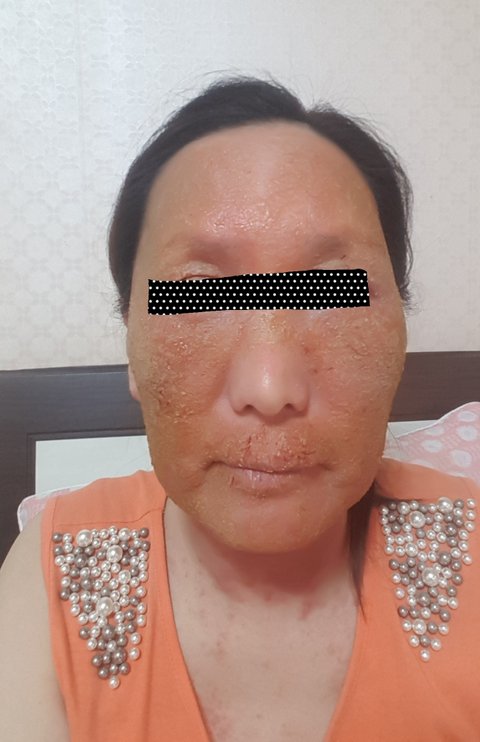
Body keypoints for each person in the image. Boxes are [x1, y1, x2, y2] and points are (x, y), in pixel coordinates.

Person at [1, 75, 479, 742]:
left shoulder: (469, 550)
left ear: (399, 337)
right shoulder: (59, 567)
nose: (269, 386)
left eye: (332, 293)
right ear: (131, 346)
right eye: (198, 295)